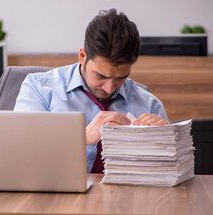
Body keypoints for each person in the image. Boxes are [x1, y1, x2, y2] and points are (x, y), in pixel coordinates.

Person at [13, 9, 168, 173]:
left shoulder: (150, 104)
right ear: (82, 56)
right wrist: (81, 137)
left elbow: (168, 173)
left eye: (121, 78)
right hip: (56, 195)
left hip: (126, 196)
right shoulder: (39, 89)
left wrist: (166, 143)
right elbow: (21, 150)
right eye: (100, 76)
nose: (109, 88)